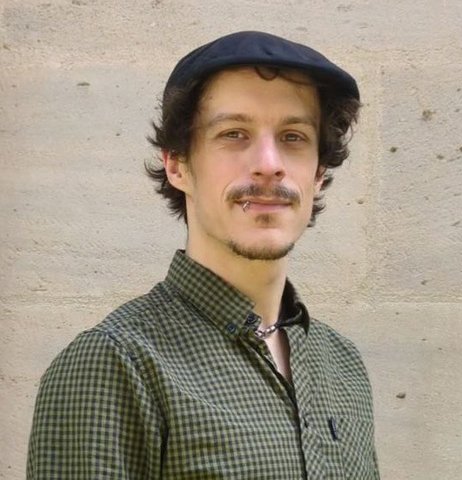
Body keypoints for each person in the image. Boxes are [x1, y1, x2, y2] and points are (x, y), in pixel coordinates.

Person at [27, 31, 380, 479]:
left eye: (293, 137)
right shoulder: (115, 364)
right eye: (234, 134)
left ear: (319, 174)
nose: (269, 163)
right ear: (177, 164)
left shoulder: (343, 365)